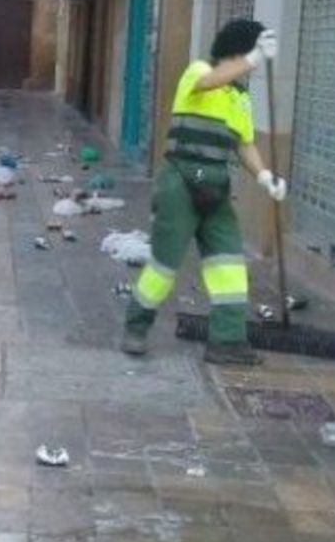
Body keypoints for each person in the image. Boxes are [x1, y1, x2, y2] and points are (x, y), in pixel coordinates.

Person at [121, 19, 287, 366]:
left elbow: (244, 144)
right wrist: (255, 57)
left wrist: (265, 176)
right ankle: (135, 327)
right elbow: (209, 81)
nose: (251, 70)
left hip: (215, 187)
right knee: (165, 266)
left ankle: (227, 341)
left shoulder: (241, 98)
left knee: (229, 264)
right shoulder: (198, 71)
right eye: (248, 58)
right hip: (180, 182)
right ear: (239, 52)